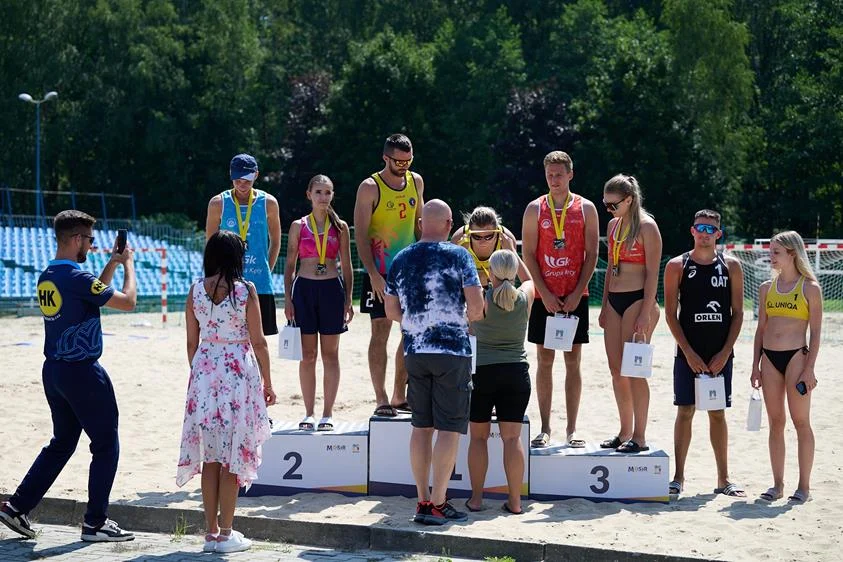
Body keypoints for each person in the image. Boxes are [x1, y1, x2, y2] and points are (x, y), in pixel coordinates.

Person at [0, 210, 137, 542]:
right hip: (83, 372)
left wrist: (111, 264)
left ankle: (16, 507)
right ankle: (95, 522)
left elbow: (92, 292)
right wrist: (128, 265)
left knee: (62, 443)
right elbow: (128, 302)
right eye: (89, 240)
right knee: (106, 444)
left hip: (54, 371)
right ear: (76, 239)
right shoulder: (77, 278)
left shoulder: (48, 275)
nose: (91, 245)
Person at [384, 199, 484, 525]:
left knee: (420, 428)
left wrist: (415, 324)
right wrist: (465, 320)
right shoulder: (458, 255)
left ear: (420, 223)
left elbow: (391, 312)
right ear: (448, 223)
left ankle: (422, 500)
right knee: (450, 430)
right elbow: (477, 307)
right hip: (452, 350)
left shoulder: (401, 259)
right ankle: (439, 502)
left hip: (414, 349)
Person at [177, 230, 276, 553]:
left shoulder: (195, 291)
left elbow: (192, 343)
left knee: (211, 457)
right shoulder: (245, 291)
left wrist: (204, 370)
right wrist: (268, 381)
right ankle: (227, 533)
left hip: (205, 370)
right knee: (232, 456)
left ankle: (210, 532)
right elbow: (258, 341)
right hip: (237, 371)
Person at [663, 210, 746, 497]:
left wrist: (726, 352)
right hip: (688, 352)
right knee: (684, 411)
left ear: (718, 234)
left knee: (717, 414)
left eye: (710, 229)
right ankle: (678, 478)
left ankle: (723, 479)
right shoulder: (677, 265)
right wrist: (687, 352)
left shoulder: (732, 266)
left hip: (719, 353)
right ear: (692, 230)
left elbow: (738, 315)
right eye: (700, 227)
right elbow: (670, 315)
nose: (705, 232)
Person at [521, 151, 598, 448]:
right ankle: (545, 427)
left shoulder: (586, 208)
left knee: (573, 361)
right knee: (544, 360)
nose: (554, 180)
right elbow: (528, 254)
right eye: (550, 174)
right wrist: (544, 292)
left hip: (576, 293)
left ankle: (572, 429)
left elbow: (592, 254)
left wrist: (579, 290)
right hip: (545, 296)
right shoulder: (533, 209)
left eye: (559, 174)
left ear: (570, 174)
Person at [353, 134, 425, 417]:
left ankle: (399, 394)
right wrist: (372, 273)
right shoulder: (370, 187)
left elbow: (419, 227)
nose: (404, 166)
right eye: (398, 161)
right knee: (380, 332)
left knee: (409, 333)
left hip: (409, 270)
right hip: (380, 270)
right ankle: (381, 397)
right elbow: (360, 234)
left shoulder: (416, 181)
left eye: (408, 160)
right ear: (385, 158)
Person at [751, 231, 821, 503]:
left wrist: (809, 368)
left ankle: (804, 487)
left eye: (776, 252)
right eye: (771, 251)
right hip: (769, 359)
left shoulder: (809, 288)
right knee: (775, 422)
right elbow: (760, 329)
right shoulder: (766, 287)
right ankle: (777, 485)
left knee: (801, 421)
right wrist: (755, 365)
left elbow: (815, 332)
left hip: (796, 359)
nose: (771, 256)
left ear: (792, 253)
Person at [466, 249, 534, 515]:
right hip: (516, 373)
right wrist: (515, 253)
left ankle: (476, 499)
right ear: (514, 270)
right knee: (512, 439)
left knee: (479, 439)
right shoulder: (524, 299)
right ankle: (515, 501)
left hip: (482, 373)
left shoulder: (480, 301)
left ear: (490, 272)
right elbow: (530, 282)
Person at [283, 175, 354, 431]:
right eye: (319, 192)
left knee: (330, 354)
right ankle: (309, 413)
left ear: (332, 195)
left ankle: (327, 414)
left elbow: (346, 265)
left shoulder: (341, 227)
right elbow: (290, 264)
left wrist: (348, 298)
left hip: (331, 291)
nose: (323, 197)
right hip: (304, 289)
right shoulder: (297, 226)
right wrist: (288, 298)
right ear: (309, 194)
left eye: (327, 192)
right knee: (308, 356)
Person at [598, 174, 662, 453]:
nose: (609, 210)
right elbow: (611, 268)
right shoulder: (613, 225)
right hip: (614, 299)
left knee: (634, 371)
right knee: (615, 370)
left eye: (614, 205)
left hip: (639, 300)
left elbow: (652, 274)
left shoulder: (648, 227)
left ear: (630, 200)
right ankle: (624, 431)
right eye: (606, 204)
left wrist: (646, 312)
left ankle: (640, 436)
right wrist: (603, 306)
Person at [206, 153, 282, 335]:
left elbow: (276, 241)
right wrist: (215, 276)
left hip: (260, 283)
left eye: (247, 179)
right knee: (227, 337)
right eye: (237, 178)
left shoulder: (269, 203)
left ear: (256, 175)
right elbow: (211, 245)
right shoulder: (218, 203)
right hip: (226, 283)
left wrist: (266, 270)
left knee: (259, 341)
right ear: (231, 174)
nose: (242, 184)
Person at [451, 206, 529, 288]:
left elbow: (509, 280)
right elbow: (450, 279)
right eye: (477, 236)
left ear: (497, 232)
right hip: (468, 288)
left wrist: (511, 251)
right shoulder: (458, 238)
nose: (483, 241)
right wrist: (460, 255)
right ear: (469, 232)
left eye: (488, 236)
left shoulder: (507, 239)